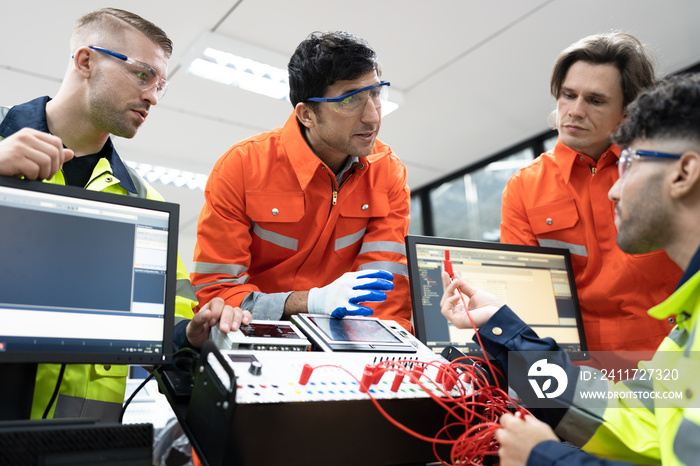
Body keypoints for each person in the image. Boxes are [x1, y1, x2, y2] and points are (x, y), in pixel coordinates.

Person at [0, 8, 249, 422]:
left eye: (160, 85)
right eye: (142, 75)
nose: (152, 96)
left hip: (78, 441)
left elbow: (175, 322)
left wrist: (191, 332)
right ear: (85, 61)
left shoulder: (141, 200)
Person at [442, 73, 700, 465]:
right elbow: (625, 415)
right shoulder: (688, 327)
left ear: (684, 173)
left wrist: (544, 458)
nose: (614, 188)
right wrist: (502, 325)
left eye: (630, 161)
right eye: (568, 95)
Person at [191, 31, 412, 330]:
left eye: (375, 93)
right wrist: (312, 302)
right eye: (351, 100)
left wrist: (379, 364)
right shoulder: (242, 167)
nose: (373, 117)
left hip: (347, 343)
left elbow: (387, 299)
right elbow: (217, 295)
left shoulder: (388, 172)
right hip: (260, 337)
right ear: (307, 114)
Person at [500, 32, 682, 357]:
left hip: (673, 358)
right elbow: (528, 301)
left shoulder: (664, 167)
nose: (575, 111)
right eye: (568, 95)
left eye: (595, 101)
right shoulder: (523, 187)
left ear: (628, 112)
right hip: (583, 371)